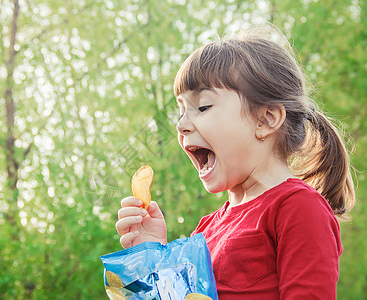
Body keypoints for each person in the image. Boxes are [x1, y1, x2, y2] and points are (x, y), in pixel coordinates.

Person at [115, 27, 356, 299]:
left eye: (203, 107)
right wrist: (153, 255)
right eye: (181, 111)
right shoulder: (206, 229)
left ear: (265, 120)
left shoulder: (298, 208)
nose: (181, 125)